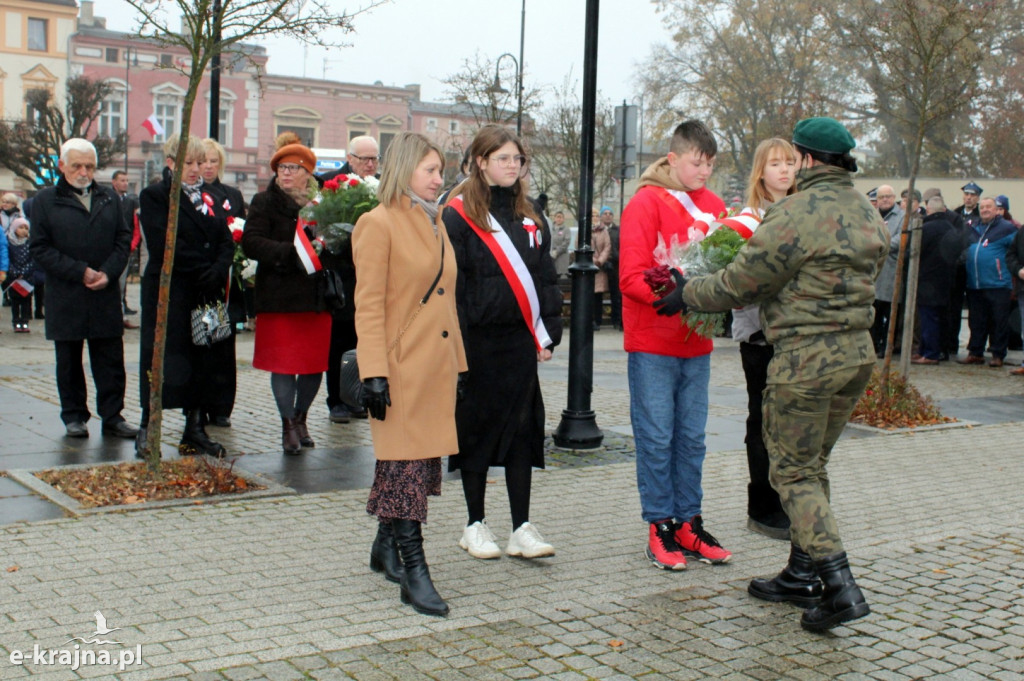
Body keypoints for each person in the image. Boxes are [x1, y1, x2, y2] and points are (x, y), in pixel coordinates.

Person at [674, 117, 888, 631]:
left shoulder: (794, 213)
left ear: (808, 159)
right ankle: (800, 571)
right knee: (812, 465)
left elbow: (741, 282)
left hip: (805, 360)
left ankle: (839, 586)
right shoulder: (865, 208)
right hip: (857, 355)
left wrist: (684, 293)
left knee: (792, 471)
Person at [353, 131, 465, 617]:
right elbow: (368, 306)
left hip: (434, 367)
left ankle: (384, 547)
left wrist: (459, 363)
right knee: (405, 469)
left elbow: (445, 300)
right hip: (398, 370)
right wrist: (372, 372)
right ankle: (414, 571)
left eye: (441, 170)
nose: (440, 179)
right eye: (430, 170)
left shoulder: (435, 221)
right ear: (404, 170)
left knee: (415, 465)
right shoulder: (377, 223)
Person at [443, 124, 562, 561]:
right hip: (476, 342)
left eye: (518, 159)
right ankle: (474, 523)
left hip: (518, 344)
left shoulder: (531, 217)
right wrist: (454, 342)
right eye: (503, 159)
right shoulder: (458, 214)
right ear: (480, 162)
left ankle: (521, 527)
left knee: (521, 435)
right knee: (476, 434)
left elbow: (545, 278)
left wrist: (548, 333)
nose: (512, 166)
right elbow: (452, 285)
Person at [619, 119, 732, 572]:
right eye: (696, 162)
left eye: (710, 164)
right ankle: (659, 526)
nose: (704, 172)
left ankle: (689, 521)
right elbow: (630, 275)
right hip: (653, 342)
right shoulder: (646, 202)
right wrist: (672, 295)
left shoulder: (717, 205)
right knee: (657, 438)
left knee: (692, 440)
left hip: (696, 342)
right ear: (673, 158)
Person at [28, 138, 137, 439]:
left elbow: (122, 240)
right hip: (67, 294)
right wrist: (80, 272)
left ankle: (113, 416)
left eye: (89, 166)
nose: (84, 171)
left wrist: (108, 272)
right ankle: (74, 416)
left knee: (110, 360)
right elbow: (40, 248)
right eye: (76, 165)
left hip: (103, 293)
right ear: (62, 166)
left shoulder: (109, 198)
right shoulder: (45, 201)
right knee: (69, 361)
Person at [138, 133, 233, 456]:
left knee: (205, 356)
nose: (195, 169)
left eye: (198, 162)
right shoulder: (155, 195)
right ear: (171, 163)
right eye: (188, 163)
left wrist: (218, 269)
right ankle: (147, 425)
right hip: (172, 290)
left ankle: (195, 427)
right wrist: (202, 267)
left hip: (207, 292)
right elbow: (164, 241)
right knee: (163, 356)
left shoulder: (212, 195)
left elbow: (225, 239)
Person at [242, 140, 330, 455]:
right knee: (283, 365)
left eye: (294, 168)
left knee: (312, 366)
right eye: (282, 168)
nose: (287, 173)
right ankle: (287, 425)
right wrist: (288, 253)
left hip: (315, 299)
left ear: (308, 173)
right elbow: (251, 242)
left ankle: (302, 417)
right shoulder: (264, 201)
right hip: (278, 298)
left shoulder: (323, 203)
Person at [732, 138, 797, 540]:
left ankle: (791, 498)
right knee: (762, 419)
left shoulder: (803, 210)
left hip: (797, 333)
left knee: (791, 421)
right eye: (776, 164)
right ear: (761, 171)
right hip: (759, 333)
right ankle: (762, 503)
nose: (784, 171)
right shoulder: (748, 219)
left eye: (790, 162)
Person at [200, 138, 246, 428]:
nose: (207, 166)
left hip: (228, 285)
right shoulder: (192, 195)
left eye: (213, 161)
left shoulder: (233, 195)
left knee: (224, 348)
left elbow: (242, 228)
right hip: (204, 282)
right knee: (204, 344)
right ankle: (200, 406)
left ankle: (221, 407)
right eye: (203, 160)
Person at [956, 196, 1016, 368]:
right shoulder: (973, 228)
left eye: (989, 207)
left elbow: (1016, 250)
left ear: (997, 209)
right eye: (982, 208)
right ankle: (975, 352)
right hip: (975, 283)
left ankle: (998, 354)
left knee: (999, 321)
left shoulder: (1006, 228)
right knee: (976, 320)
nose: (985, 210)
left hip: (998, 283)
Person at [911, 196, 958, 364]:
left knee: (928, 318)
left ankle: (929, 353)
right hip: (946, 280)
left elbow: (915, 252)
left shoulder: (926, 228)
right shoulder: (952, 228)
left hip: (927, 281)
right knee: (941, 317)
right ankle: (937, 351)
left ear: (928, 209)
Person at [871, 184, 904, 356]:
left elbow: (899, 241)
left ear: (894, 197)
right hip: (872, 275)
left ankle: (886, 346)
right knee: (872, 316)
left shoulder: (902, 217)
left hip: (891, 275)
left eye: (888, 196)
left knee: (888, 316)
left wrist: (877, 244)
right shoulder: (871, 215)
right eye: (881, 196)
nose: (885, 199)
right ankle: (873, 346)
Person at [111, 170, 140, 328]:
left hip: (125, 248)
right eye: (122, 180)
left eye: (127, 180)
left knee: (122, 284)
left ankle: (120, 316)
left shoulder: (130, 202)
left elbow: (135, 225)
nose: (125, 183)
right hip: (110, 248)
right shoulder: (108, 199)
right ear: (114, 182)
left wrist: (132, 245)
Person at [4, 217, 34, 332]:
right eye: (21, 227)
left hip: (27, 278)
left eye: (26, 228)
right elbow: (8, 259)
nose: (23, 230)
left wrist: (25, 272)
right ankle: (16, 321)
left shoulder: (30, 243)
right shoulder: (9, 243)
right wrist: (15, 272)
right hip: (14, 278)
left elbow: (34, 260)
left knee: (26, 300)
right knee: (15, 301)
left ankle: (25, 322)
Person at [600, 207, 622, 330]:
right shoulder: (599, 229)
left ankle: (616, 320)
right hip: (601, 265)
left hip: (615, 266)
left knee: (616, 295)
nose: (608, 216)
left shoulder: (618, 230)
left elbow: (620, 246)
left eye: (610, 213)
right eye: (605, 213)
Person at [592, 210, 612, 331]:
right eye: (593, 215)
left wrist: (600, 260)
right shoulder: (584, 229)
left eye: (596, 215)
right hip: (588, 268)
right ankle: (589, 320)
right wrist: (593, 260)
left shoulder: (604, 230)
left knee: (598, 296)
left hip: (600, 269)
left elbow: (607, 246)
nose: (595, 218)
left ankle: (597, 321)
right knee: (588, 296)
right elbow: (580, 245)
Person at [549, 210, 572, 278]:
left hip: (562, 258)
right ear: (554, 218)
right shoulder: (550, 228)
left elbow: (566, 242)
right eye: (557, 217)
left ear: (563, 219)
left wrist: (557, 251)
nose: (559, 219)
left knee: (562, 278)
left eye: (560, 217)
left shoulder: (566, 229)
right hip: (551, 257)